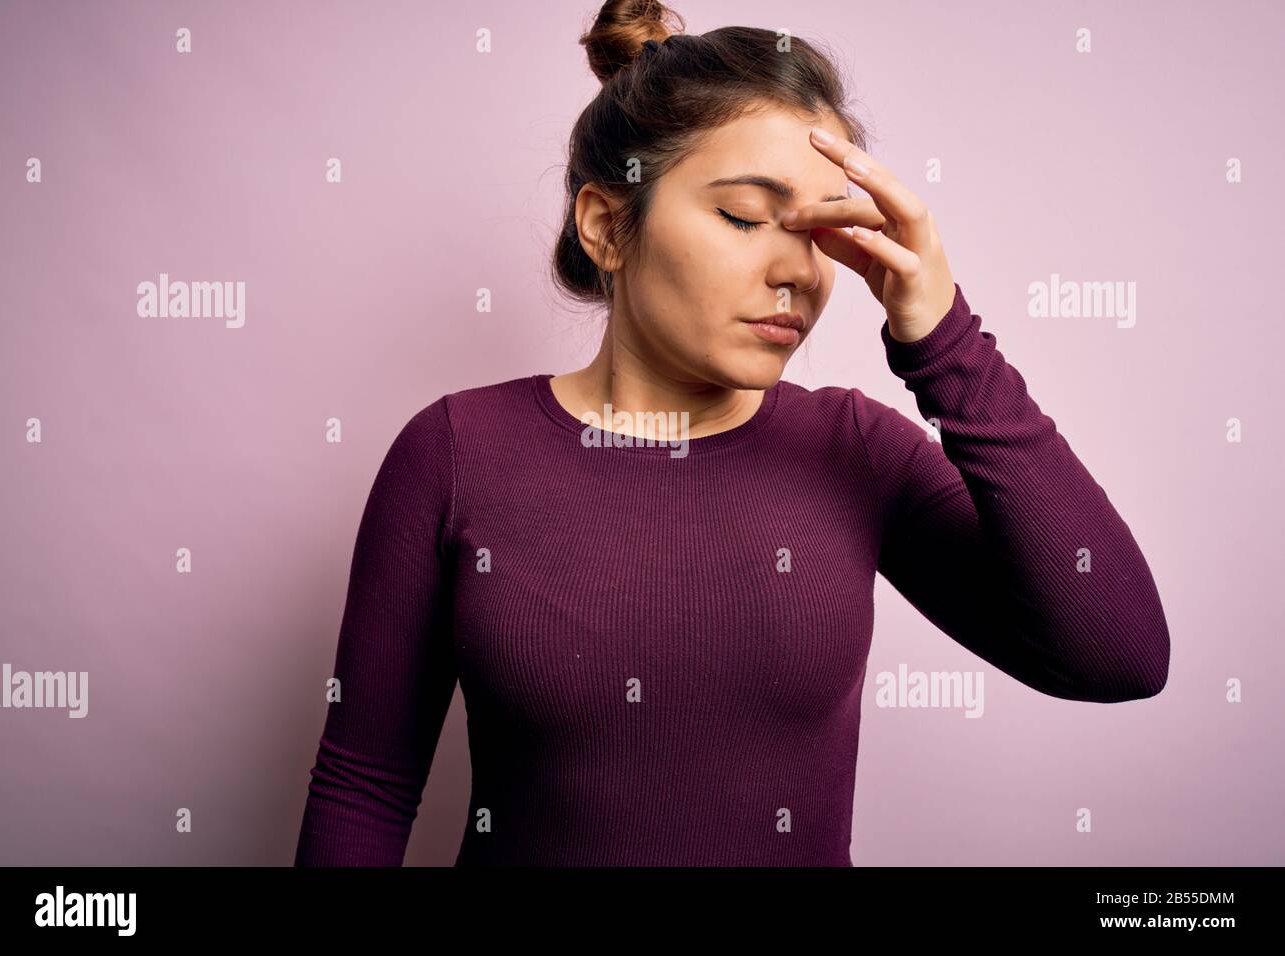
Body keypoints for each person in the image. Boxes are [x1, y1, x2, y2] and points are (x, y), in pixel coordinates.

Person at [293, 0, 1169, 867]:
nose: (795, 270)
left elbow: (1118, 656)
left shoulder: (853, 451)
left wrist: (947, 343)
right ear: (607, 226)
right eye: (746, 218)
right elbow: (365, 784)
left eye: (825, 232)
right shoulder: (456, 451)